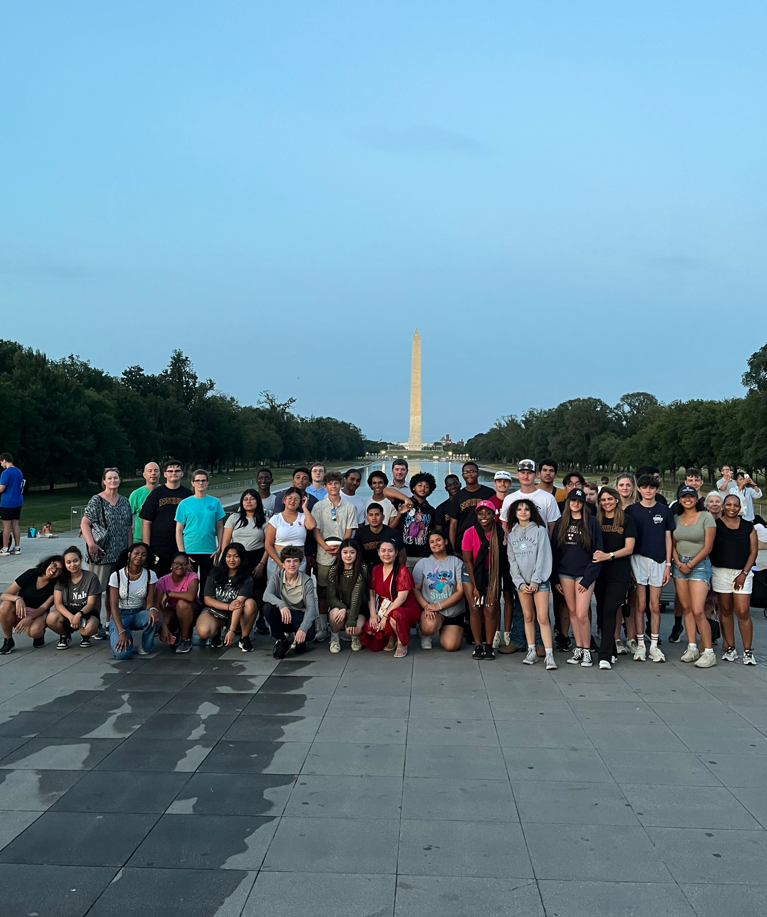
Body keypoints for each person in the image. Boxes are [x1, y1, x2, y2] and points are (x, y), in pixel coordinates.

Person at [625, 474, 675, 662]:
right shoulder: (631, 510)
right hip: (637, 560)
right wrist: (629, 564)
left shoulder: (665, 511)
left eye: (652, 487)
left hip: (659, 561)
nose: (648, 490)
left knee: (654, 606)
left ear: (656, 489)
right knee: (640, 604)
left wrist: (668, 565)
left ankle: (653, 645)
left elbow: (668, 538)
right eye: (645, 487)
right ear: (639, 489)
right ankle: (640, 645)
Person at [552, 488, 603, 667]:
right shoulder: (561, 523)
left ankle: (587, 650)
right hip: (565, 573)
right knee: (572, 612)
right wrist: (555, 579)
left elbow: (598, 552)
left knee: (582, 614)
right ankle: (579, 648)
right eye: (573, 501)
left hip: (584, 574)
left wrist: (588, 578)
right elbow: (555, 552)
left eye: (579, 501)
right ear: (568, 503)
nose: (576, 504)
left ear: (583, 504)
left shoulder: (591, 523)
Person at [505, 498, 556, 669]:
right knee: (528, 616)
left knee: (542, 617)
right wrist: (519, 582)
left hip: (539, 582)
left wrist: (536, 580)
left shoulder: (540, 531)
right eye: (519, 509)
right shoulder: (512, 534)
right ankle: (531, 650)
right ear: (515, 513)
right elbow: (512, 561)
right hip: (522, 584)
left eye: (527, 509)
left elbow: (543, 556)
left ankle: (549, 654)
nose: (523, 512)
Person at [82, 468, 133, 635]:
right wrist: (91, 544)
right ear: (104, 481)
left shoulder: (124, 501)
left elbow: (128, 528)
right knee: (97, 591)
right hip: (101, 553)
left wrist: (130, 550)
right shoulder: (97, 500)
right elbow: (85, 523)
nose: (113, 481)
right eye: (109, 478)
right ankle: (94, 623)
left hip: (120, 554)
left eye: (116, 478)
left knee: (114, 591)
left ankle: (110, 622)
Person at [671, 485, 717, 668]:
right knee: (687, 608)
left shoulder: (706, 517)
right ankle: (692, 647)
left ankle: (708, 651)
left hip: (699, 564)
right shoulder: (675, 518)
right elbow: (672, 543)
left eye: (691, 496)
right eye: (684, 497)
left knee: (698, 610)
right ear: (680, 500)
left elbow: (708, 546)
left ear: (697, 498)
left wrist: (691, 563)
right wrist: (679, 562)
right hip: (679, 565)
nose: (687, 499)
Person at [711, 493, 758, 664]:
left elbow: (753, 552)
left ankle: (747, 651)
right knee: (725, 610)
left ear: (740, 507)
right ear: (723, 506)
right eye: (728, 504)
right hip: (720, 571)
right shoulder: (715, 525)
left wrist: (744, 573)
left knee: (743, 611)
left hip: (742, 573)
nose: (732, 508)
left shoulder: (748, 527)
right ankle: (730, 647)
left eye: (735, 505)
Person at [593, 487, 636, 670]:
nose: (606, 502)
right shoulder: (596, 520)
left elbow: (629, 548)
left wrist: (608, 556)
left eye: (610, 499)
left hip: (619, 572)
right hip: (599, 572)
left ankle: (604, 656)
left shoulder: (627, 520)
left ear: (617, 500)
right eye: (603, 500)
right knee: (602, 613)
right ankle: (612, 650)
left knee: (610, 610)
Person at [462, 500, 510, 660]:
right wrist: (476, 586)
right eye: (481, 513)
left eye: (488, 513)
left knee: (490, 608)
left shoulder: (500, 532)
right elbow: (468, 561)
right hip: (472, 573)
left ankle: (489, 645)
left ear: (493, 515)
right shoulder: (469, 532)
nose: (484, 516)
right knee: (475, 607)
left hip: (492, 574)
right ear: (476, 515)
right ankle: (477, 645)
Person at [312, 472, 357, 642]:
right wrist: (324, 546)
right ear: (325, 487)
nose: (333, 486)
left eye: (336, 483)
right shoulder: (318, 507)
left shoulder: (349, 507)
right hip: (324, 555)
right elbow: (315, 530)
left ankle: (341, 626)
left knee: (343, 590)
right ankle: (323, 627)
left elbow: (349, 529)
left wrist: (342, 550)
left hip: (342, 556)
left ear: (341, 485)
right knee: (323, 591)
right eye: (330, 484)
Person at [360, 537, 420, 658]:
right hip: (385, 607)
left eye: (390, 551)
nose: (386, 554)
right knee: (370, 628)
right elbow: (371, 594)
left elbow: (402, 598)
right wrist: (373, 614)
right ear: (378, 552)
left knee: (395, 616)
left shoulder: (402, 570)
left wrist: (386, 616)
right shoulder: (376, 569)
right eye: (383, 550)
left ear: (396, 552)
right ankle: (391, 636)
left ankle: (401, 642)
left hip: (405, 608)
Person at [221, 488, 269, 634]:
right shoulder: (234, 518)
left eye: (252, 499)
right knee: (235, 590)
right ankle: (233, 622)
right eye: (246, 499)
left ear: (258, 501)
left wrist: (262, 564)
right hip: (237, 557)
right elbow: (226, 540)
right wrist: (226, 559)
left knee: (257, 590)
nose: (249, 502)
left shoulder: (264, 520)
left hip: (256, 557)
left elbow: (268, 544)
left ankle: (257, 620)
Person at [197, 543, 257, 652]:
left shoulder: (246, 578)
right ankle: (217, 632)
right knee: (203, 632)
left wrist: (232, 630)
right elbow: (207, 599)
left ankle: (244, 637)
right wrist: (228, 606)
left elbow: (238, 604)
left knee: (250, 604)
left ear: (241, 558)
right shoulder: (215, 573)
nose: (232, 559)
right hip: (217, 610)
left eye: (236, 556)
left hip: (236, 613)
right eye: (228, 556)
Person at [414, 530, 466, 652]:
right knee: (429, 627)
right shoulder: (423, 563)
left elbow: (460, 591)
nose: (435, 544)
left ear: (446, 541)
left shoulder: (457, 562)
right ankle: (424, 632)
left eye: (438, 540)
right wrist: (426, 606)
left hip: (453, 611)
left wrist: (439, 606)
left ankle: (451, 629)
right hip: (431, 609)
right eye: (431, 542)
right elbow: (415, 589)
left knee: (451, 646)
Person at [0, 555, 64, 654]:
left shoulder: (56, 585)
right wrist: (17, 599)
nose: (54, 570)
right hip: (21, 609)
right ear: (49, 563)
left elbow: (44, 608)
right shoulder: (31, 573)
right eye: (54, 565)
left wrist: (29, 618)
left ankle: (39, 635)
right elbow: (4, 595)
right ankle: (8, 640)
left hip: (38, 613)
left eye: (59, 570)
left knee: (35, 631)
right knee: (5, 605)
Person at [140, 458, 192, 577]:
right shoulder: (156, 494)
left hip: (181, 546)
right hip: (159, 547)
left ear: (182, 474)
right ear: (165, 474)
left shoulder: (188, 495)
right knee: (158, 582)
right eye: (170, 471)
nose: (174, 473)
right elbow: (146, 522)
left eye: (177, 470)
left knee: (181, 580)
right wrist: (147, 549)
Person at [263, 545, 318, 658]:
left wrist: (302, 629)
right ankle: (281, 639)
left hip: (299, 615)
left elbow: (311, 608)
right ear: (283, 563)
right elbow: (266, 595)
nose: (291, 564)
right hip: (284, 614)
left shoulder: (306, 581)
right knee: (267, 608)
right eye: (288, 561)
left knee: (309, 634)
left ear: (300, 563)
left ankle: (299, 640)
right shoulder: (277, 576)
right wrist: (282, 605)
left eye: (295, 561)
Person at [108, 542, 160, 660]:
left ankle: (146, 647)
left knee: (153, 617)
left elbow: (150, 601)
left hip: (138, 613)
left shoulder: (150, 575)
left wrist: (152, 610)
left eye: (143, 555)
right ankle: (123, 633)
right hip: (120, 614)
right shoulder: (116, 575)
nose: (139, 557)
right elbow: (114, 607)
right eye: (136, 553)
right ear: (129, 555)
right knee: (121, 654)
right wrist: (121, 632)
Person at [175, 469, 225, 587]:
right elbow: (178, 530)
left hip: (209, 550)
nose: (200, 483)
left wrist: (220, 548)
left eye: (203, 480)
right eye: (197, 481)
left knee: (207, 584)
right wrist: (182, 553)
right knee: (189, 585)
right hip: (190, 549)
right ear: (192, 483)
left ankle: (205, 605)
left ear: (207, 482)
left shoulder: (215, 502)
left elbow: (220, 526)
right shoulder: (184, 504)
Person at [47, 546, 102, 649]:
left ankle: (85, 636)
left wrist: (79, 615)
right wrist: (71, 617)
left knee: (89, 628)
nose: (72, 565)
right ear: (65, 564)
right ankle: (65, 635)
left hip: (86, 612)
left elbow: (91, 603)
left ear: (81, 560)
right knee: (51, 618)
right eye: (68, 562)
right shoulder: (61, 579)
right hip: (68, 612)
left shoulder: (91, 577)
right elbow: (58, 603)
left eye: (75, 561)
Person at [326, 538, 368, 652]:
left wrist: (351, 619)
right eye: (345, 552)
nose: (348, 556)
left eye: (352, 552)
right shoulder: (334, 571)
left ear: (357, 554)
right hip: (341, 607)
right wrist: (343, 608)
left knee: (357, 627)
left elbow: (356, 596)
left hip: (358, 610)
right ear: (340, 553)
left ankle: (355, 637)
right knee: (334, 614)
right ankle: (334, 638)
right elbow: (331, 596)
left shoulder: (362, 569)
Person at [155, 551, 200, 654]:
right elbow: (157, 605)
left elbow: (190, 596)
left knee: (182, 603)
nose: (180, 566)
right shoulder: (163, 580)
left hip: (191, 610)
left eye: (184, 564)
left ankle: (185, 640)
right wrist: (164, 627)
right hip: (172, 610)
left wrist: (169, 593)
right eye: (177, 563)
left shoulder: (192, 576)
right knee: (161, 616)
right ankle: (174, 632)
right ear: (171, 565)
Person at [264, 487, 317, 574]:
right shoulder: (276, 519)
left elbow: (311, 526)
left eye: (296, 499)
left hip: (298, 560)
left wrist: (304, 507)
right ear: (284, 500)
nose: (292, 501)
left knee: (298, 586)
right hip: (278, 559)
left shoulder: (303, 516)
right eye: (290, 498)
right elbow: (268, 545)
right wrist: (280, 564)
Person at [500, 460, 560, 536]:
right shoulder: (509, 499)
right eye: (523, 473)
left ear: (536, 475)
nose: (526, 476)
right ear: (517, 474)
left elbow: (552, 527)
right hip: (515, 545)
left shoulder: (548, 498)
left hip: (540, 545)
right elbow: (505, 525)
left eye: (529, 473)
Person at [448, 462, 495, 551]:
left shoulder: (489, 493)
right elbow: (453, 524)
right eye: (466, 472)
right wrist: (452, 548)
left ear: (478, 473)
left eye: (472, 471)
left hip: (486, 540)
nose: (469, 474)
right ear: (462, 475)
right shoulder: (457, 497)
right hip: (463, 541)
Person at [395, 472, 437, 569]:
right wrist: (406, 500)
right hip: (404, 555)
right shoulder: (404, 504)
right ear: (413, 487)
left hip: (423, 557)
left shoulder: (432, 511)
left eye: (426, 487)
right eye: (420, 485)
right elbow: (386, 491)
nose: (423, 489)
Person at [354, 503, 405, 568]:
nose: (374, 518)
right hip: (366, 570)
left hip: (388, 569)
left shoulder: (392, 533)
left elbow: (402, 553)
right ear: (367, 518)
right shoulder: (360, 533)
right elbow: (356, 553)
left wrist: (399, 571)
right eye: (371, 515)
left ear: (383, 517)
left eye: (377, 515)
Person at [129, 462, 160, 543]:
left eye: (156, 471)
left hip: (160, 539)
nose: (153, 473)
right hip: (139, 539)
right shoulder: (136, 494)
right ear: (144, 475)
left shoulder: (164, 492)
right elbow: (127, 517)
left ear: (160, 474)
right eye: (150, 471)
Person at [0, 453, 24, 555]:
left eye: (1, 462)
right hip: (18, 501)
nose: (1, 464)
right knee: (15, 525)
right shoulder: (19, 472)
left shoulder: (5, 473)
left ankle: (5, 548)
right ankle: (17, 547)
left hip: (7, 502)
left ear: (4, 460)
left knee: (6, 526)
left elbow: (2, 488)